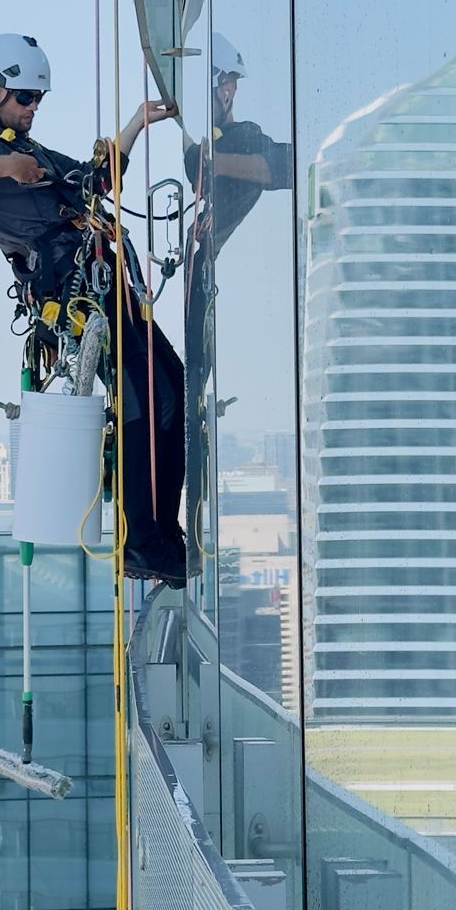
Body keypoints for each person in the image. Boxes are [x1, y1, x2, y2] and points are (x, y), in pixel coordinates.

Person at [0, 32, 186, 585]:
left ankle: (161, 531)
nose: (33, 108)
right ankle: (144, 542)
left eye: (39, 99)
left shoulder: (33, 152)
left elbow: (96, 182)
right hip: (74, 289)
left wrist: (134, 125)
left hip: (100, 279)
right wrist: (4, 168)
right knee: (142, 395)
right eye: (24, 98)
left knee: (170, 382)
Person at [183, 34, 293, 559]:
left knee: (187, 401)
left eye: (231, 83)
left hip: (200, 285)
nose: (232, 91)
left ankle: (189, 528)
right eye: (227, 82)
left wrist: (219, 164)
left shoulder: (241, 138)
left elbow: (283, 168)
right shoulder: (185, 137)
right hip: (182, 282)